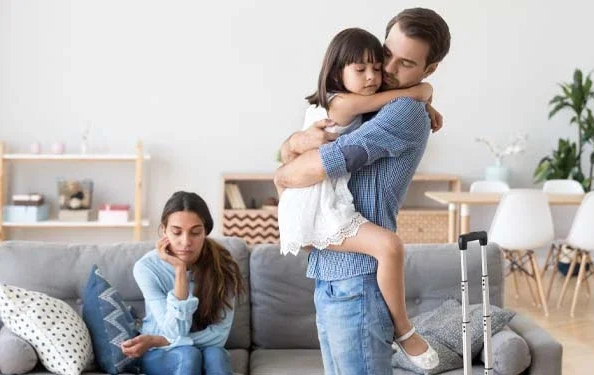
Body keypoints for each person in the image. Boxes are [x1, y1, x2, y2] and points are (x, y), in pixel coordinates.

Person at [275, 8, 451, 374]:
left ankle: (406, 331)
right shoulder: (371, 99)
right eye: (386, 54)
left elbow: (322, 163)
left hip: (360, 279)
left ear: (428, 70)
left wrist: (285, 171)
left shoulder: (403, 111)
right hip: (329, 273)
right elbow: (300, 149)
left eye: (406, 64)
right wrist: (293, 144)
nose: (385, 71)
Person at [121, 191, 246, 375]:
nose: (185, 242)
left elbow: (219, 336)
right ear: (164, 230)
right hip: (159, 354)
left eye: (195, 232)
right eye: (176, 232)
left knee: (216, 355)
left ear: (206, 231)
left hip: (164, 344)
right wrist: (180, 270)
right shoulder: (146, 268)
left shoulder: (224, 267)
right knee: (188, 355)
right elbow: (173, 331)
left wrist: (157, 339)